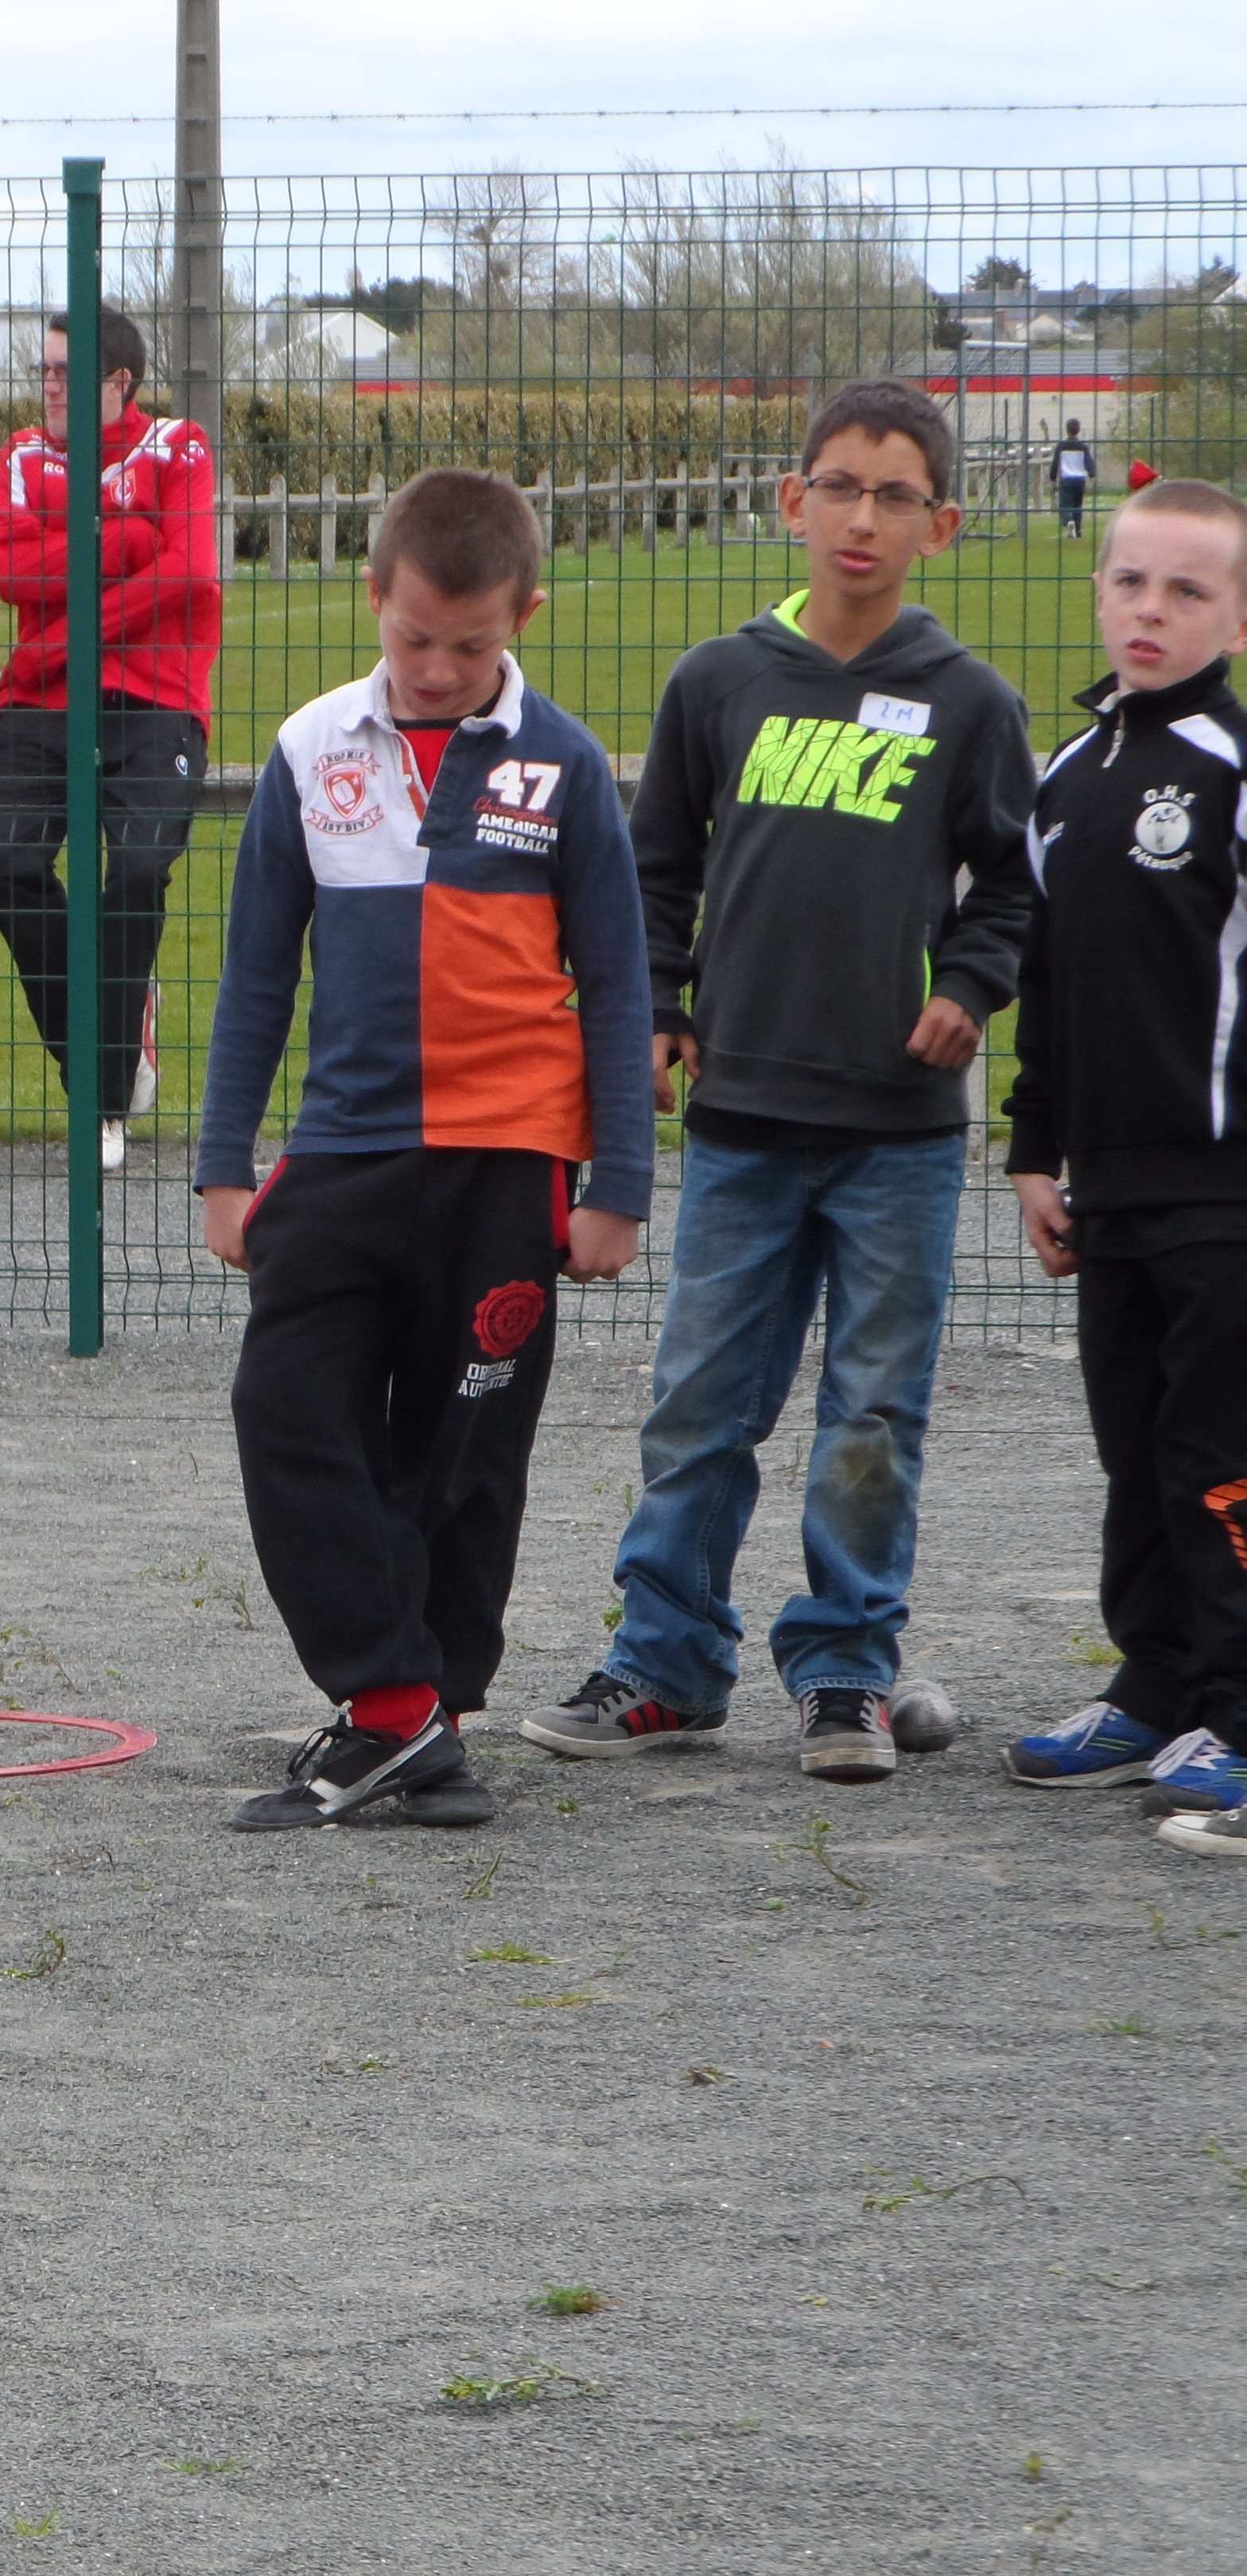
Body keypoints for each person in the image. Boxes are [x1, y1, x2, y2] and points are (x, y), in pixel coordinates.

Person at [530, 382, 1037, 1780]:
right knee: (700, 1403)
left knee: (875, 1417)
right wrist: (665, 1011)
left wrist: (967, 987)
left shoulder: (970, 701)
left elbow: (1013, 883)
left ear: (940, 522)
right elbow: (657, 873)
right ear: (789, 501)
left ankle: (844, 1673)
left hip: (901, 1136)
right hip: (746, 1119)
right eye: (837, 487)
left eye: (892, 496)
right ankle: (667, 1664)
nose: (860, 517)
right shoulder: (720, 682)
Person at [196, 470, 654, 1833]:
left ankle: (422, 1722)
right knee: (286, 1408)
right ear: (373, 599)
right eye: (416, 641)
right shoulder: (306, 750)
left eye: (475, 644)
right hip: (340, 1161)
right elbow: (255, 977)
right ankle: (399, 1712)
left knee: (460, 1454)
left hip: (507, 1174)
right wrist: (227, 1164)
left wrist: (617, 1184)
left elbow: (620, 986)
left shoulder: (565, 766)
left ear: (527, 613)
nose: (443, 669)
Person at [996, 477, 1247, 1845]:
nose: (1152, 610)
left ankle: (1242, 1703)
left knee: (1222, 1452)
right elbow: (1046, 977)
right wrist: (1040, 1151)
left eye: (1189, 591)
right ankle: (1159, 1682)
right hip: (1110, 1183)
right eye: (1132, 582)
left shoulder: (1234, 771)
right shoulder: (1068, 776)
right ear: (1098, 589)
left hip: (1225, 1190)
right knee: (1135, 1442)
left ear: (1239, 618)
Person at [0, 304, 220, 1168]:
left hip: (155, 698)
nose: (45, 384)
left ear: (119, 382)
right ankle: (116, 1026)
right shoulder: (22, 455)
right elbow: (13, 572)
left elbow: (189, 568)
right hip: (40, 702)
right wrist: (130, 539)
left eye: (63, 371)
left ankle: (103, 1104)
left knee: (139, 866)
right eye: (41, 369)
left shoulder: (178, 446)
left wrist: (72, 616)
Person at [1052, 417, 1095, 539]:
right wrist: (1092, 474)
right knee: (1077, 505)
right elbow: (1088, 462)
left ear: (1067, 430)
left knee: (1065, 504)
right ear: (1078, 430)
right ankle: (1078, 529)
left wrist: (1052, 478)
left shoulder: (1061, 446)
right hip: (1080, 478)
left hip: (1066, 478)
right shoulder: (1083, 446)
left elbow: (1056, 463)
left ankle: (1068, 520)